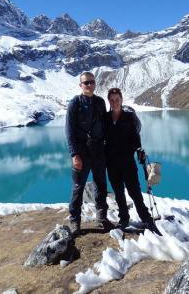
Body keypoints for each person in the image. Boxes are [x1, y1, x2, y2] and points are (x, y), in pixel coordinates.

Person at [105, 88, 161, 235]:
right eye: (112, 99)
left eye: (117, 99)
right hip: (111, 163)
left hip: (127, 162)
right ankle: (124, 218)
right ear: (109, 101)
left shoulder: (129, 117)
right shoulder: (105, 118)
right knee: (118, 192)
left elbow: (136, 140)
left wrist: (138, 151)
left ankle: (146, 218)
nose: (114, 102)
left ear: (121, 100)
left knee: (134, 192)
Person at [65, 71, 113, 235]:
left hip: (99, 151)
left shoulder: (100, 102)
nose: (90, 85)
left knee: (101, 186)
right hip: (82, 152)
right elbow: (69, 131)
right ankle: (74, 221)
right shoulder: (75, 104)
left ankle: (102, 218)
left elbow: (105, 126)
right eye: (86, 83)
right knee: (78, 188)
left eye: (92, 82)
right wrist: (74, 154)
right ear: (81, 85)